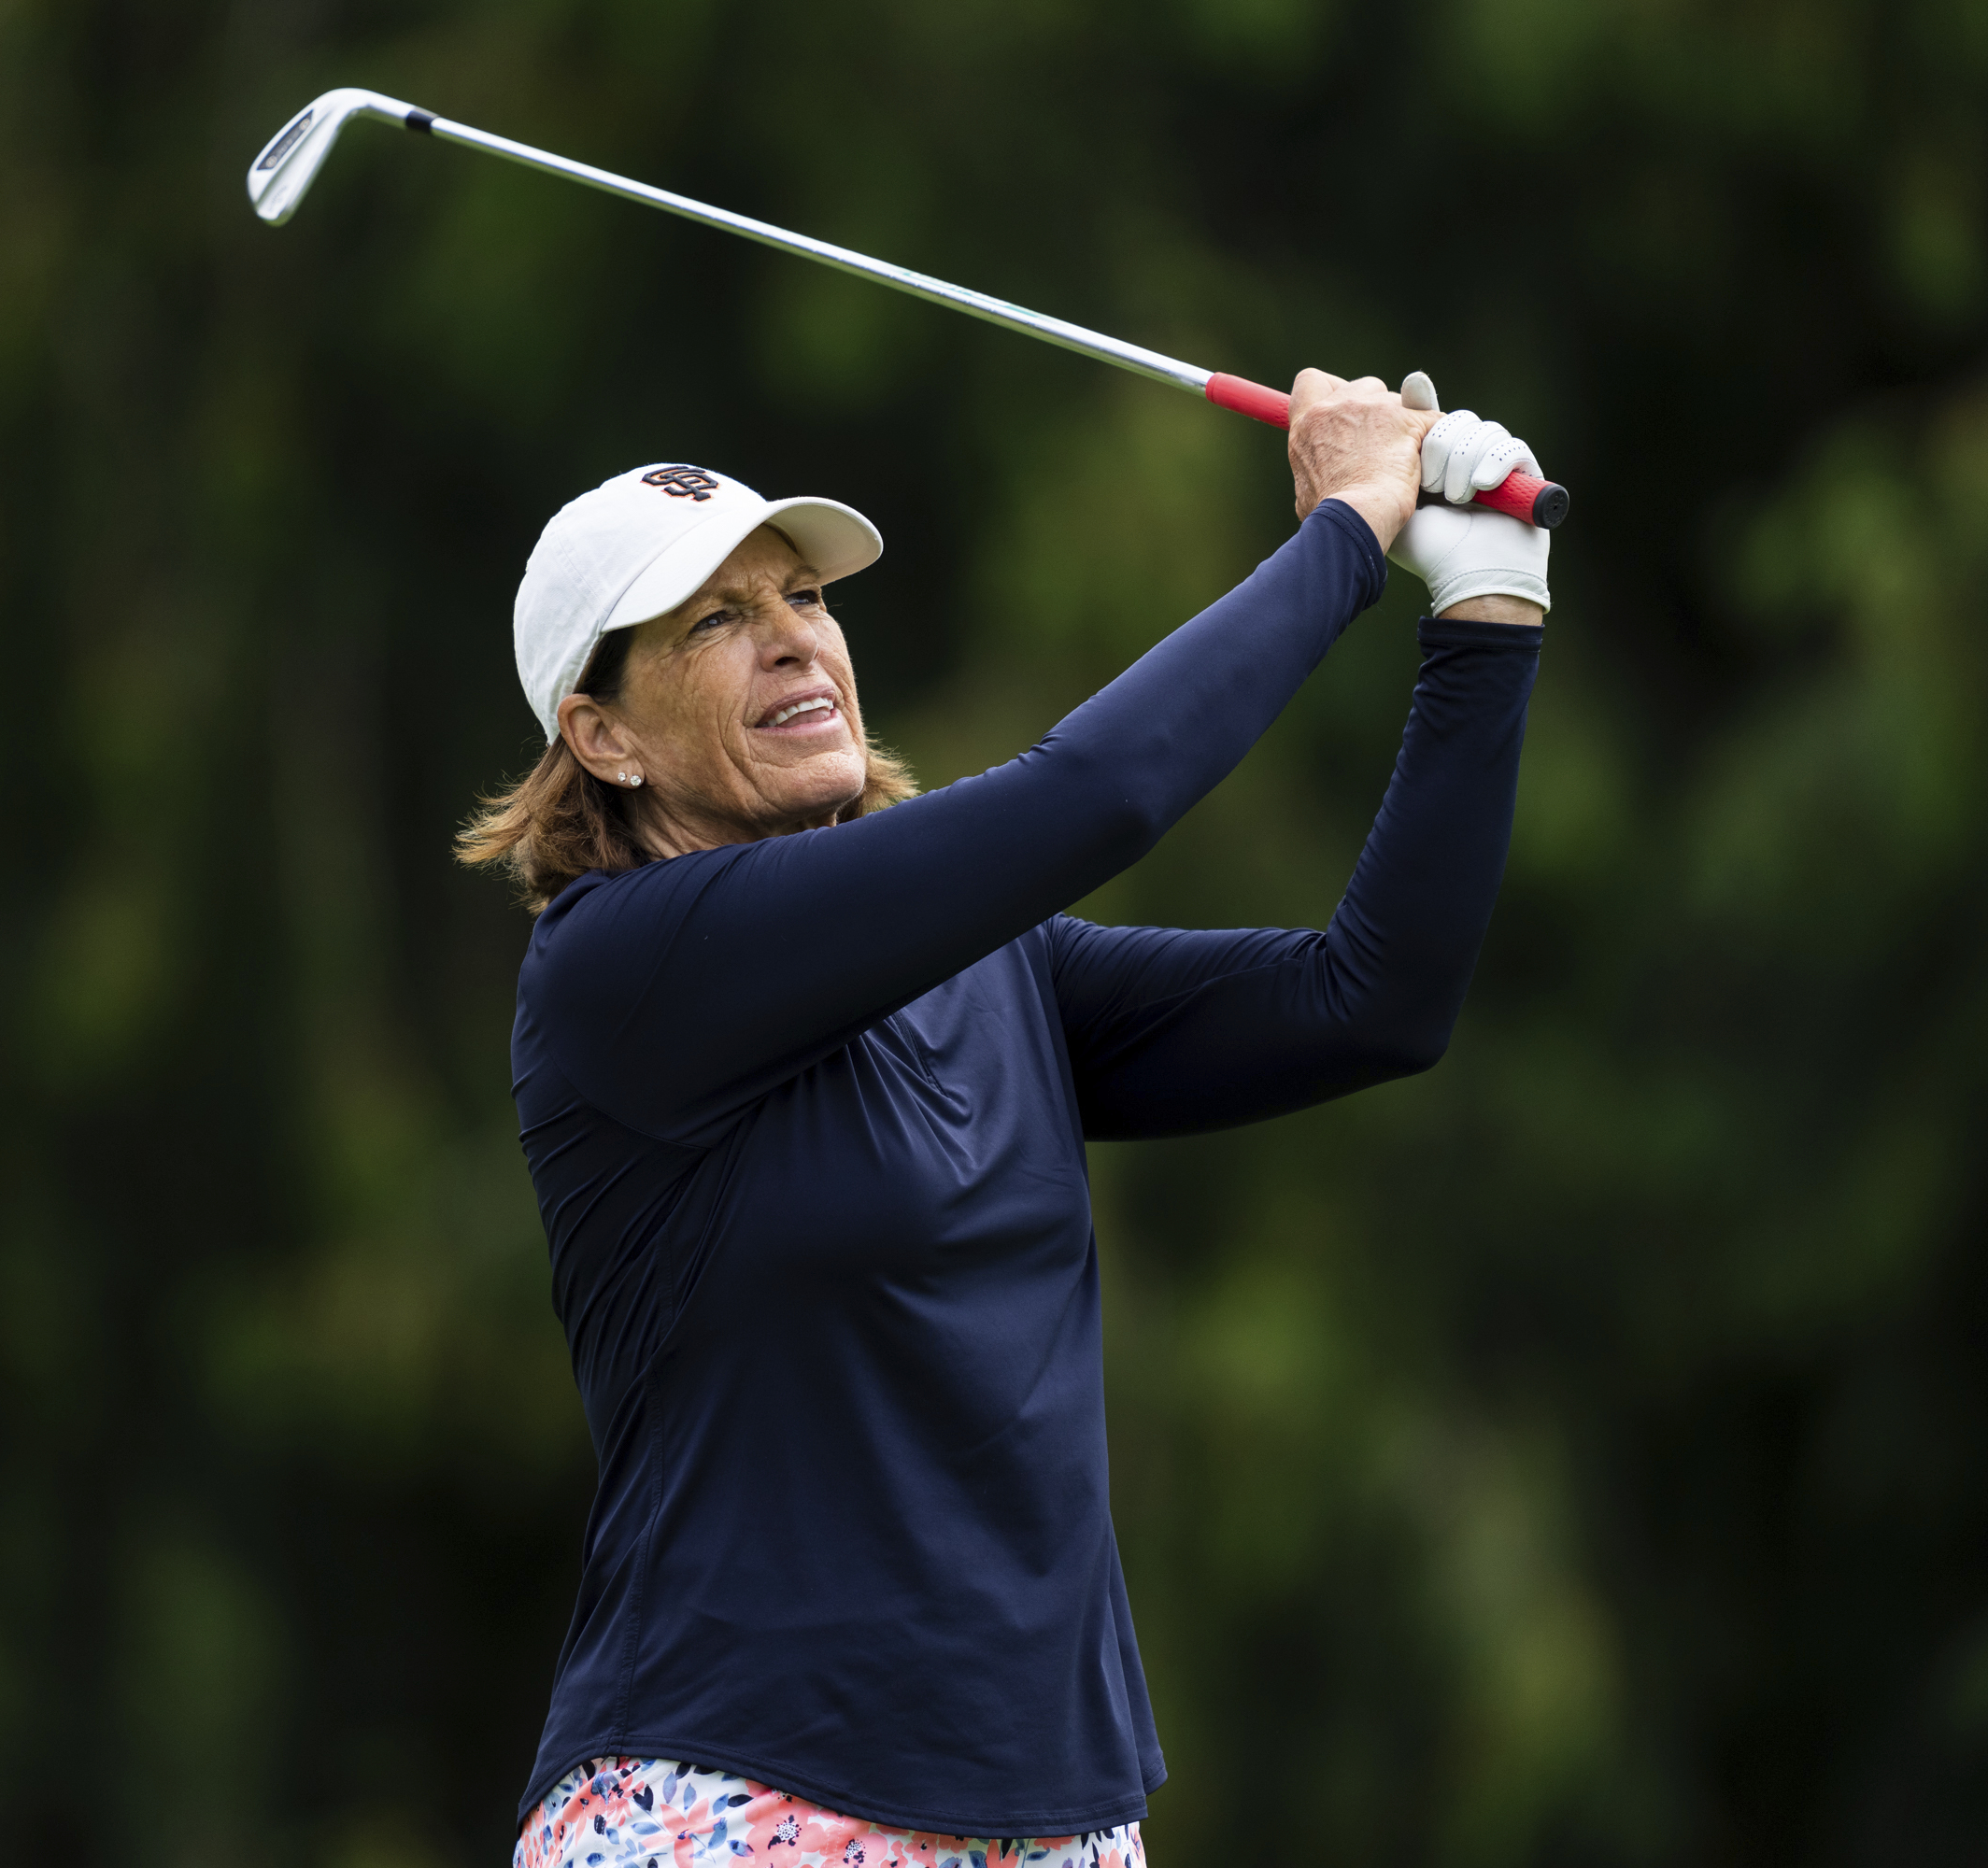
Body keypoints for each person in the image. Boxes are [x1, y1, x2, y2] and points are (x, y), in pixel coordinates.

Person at [459, 372, 1552, 1868]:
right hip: (734, 1799)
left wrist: (1484, 619)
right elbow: (1094, 796)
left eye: (801, 597)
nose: (793, 637)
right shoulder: (621, 968)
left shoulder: (995, 969)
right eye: (714, 622)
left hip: (1054, 1813)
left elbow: (1374, 1001)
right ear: (603, 737)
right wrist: (1348, 529)